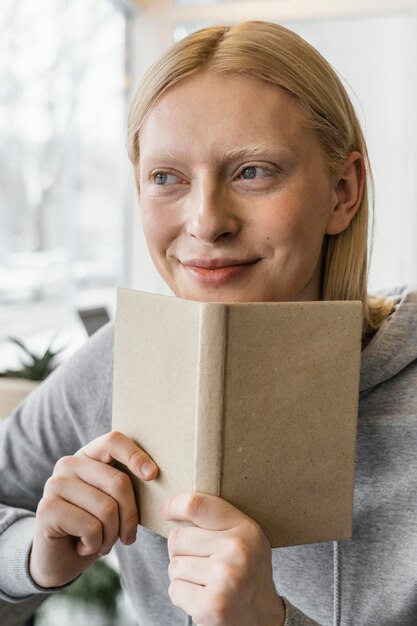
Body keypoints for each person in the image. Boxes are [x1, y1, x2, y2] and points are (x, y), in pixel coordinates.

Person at [1, 20, 416, 626]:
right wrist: (32, 556)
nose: (205, 221)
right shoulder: (117, 364)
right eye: (166, 178)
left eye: (252, 171)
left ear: (343, 192)